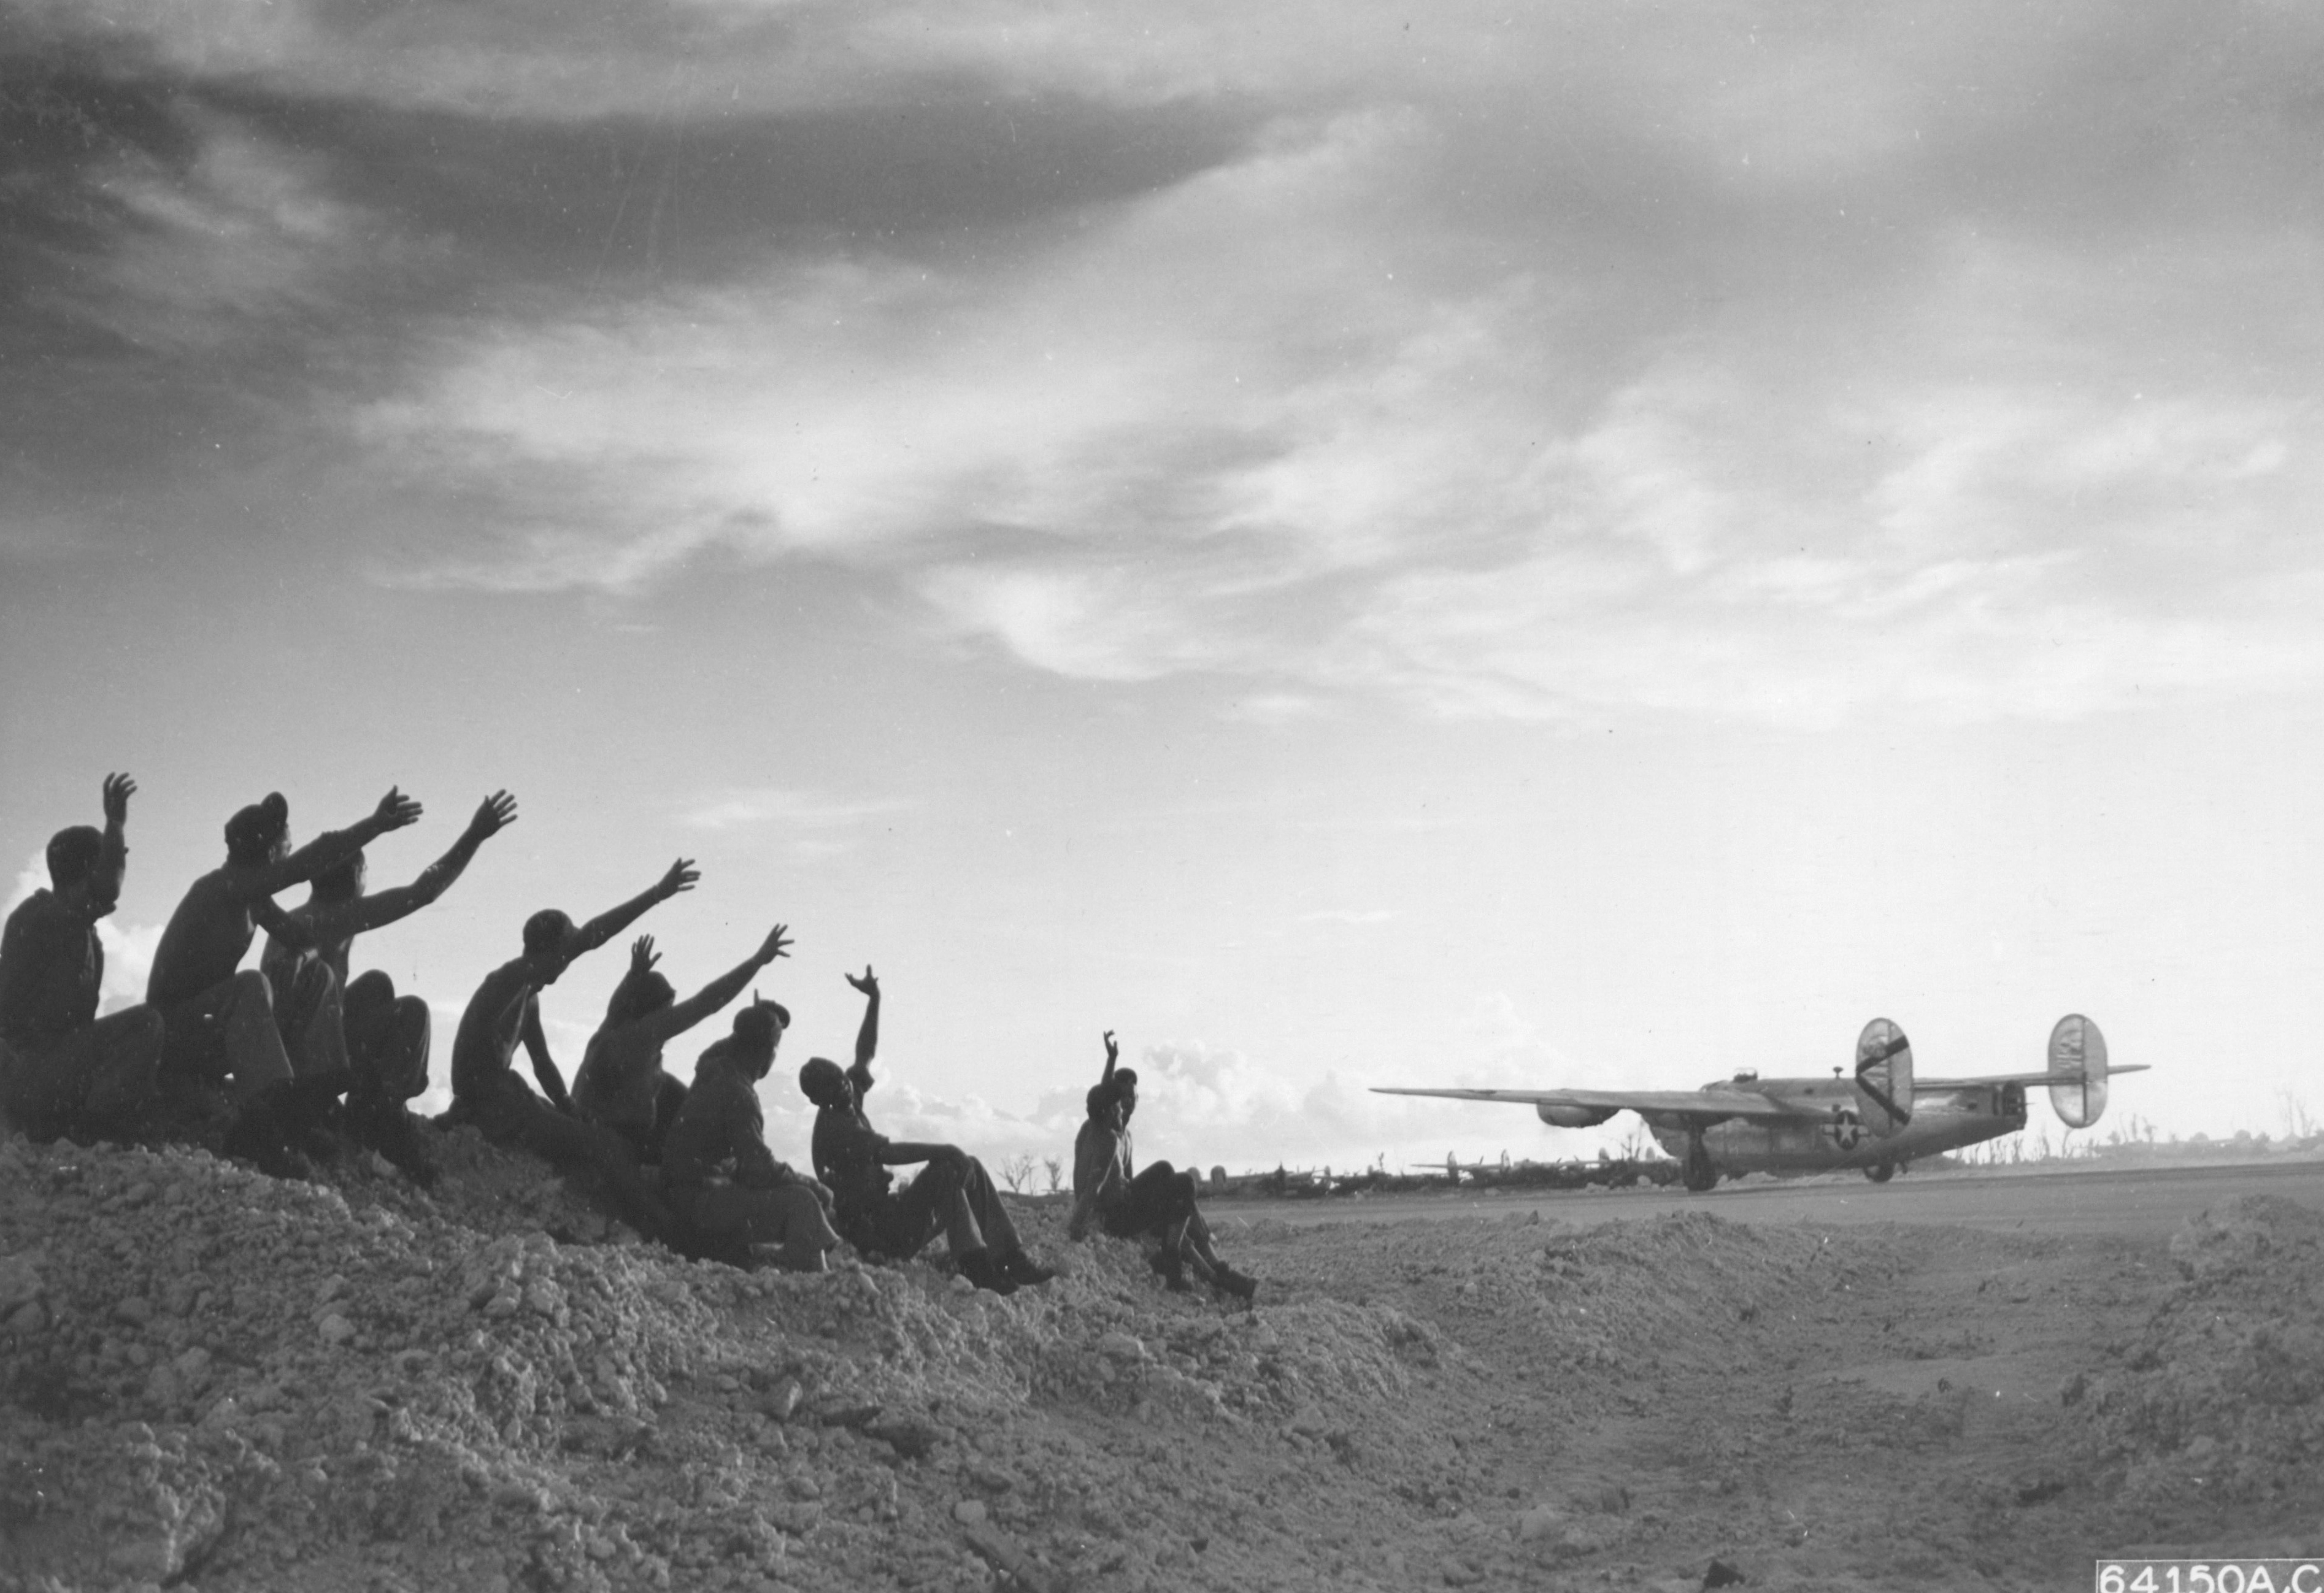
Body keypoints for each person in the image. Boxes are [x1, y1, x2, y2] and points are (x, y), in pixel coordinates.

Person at [145, 785, 423, 1165]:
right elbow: (307, 863)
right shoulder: (224, 888)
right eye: (286, 847)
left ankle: (307, 1107)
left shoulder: (253, 900)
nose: (291, 853)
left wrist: (307, 955)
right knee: (250, 985)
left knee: (316, 975)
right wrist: (373, 826)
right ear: (271, 853)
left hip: (209, 1028)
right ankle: (259, 1127)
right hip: (175, 1035)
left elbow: (302, 940)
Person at [259, 790, 518, 1179]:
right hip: (303, 1062)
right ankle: (384, 1116)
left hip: (289, 1044)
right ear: (354, 878)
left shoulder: (299, 916)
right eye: (366, 872)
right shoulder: (338, 916)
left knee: (377, 986)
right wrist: (474, 836)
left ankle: (366, 1102)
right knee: (412, 1010)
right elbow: (423, 892)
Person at [443, 858, 697, 1224]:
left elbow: (542, 1062)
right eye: (567, 948)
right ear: (552, 950)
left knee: (586, 1132)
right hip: (491, 1099)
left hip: (504, 1095)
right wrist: (655, 895)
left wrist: (565, 1104)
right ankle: (663, 1225)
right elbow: (591, 937)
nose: (571, 959)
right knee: (603, 1147)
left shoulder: (528, 995)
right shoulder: (509, 979)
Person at [801, 966, 1052, 1294]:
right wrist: (944, 1149)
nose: (848, 1090)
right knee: (947, 1171)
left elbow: (865, 1054)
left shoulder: (846, 1101)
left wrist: (874, 1000)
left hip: (887, 1217)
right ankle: (976, 1267)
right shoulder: (836, 1127)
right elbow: (890, 1152)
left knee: (970, 1166)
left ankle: (1010, 1256)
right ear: (821, 1100)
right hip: (876, 1234)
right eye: (838, 1089)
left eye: (845, 1082)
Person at [0, 773, 164, 1140]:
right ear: (86, 871)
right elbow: (110, 886)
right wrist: (115, 826)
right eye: (106, 860)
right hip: (28, 1072)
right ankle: (92, 1134)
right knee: (145, 1024)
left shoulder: (81, 931)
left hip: (44, 1069)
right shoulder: (43, 917)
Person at [572, 922, 793, 1162]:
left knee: (679, 1093)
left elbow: (619, 1001)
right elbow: (707, 1002)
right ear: (650, 1012)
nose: (669, 1018)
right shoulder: (639, 1036)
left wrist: (634, 975)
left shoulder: (614, 1023)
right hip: (615, 1138)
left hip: (603, 1123)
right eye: (665, 1012)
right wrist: (757, 961)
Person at [1068, 1031, 1256, 1299]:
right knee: (1184, 1184)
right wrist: (1076, 1227)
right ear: (1112, 1105)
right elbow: (1092, 1187)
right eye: (1121, 1100)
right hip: (1115, 1216)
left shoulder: (1118, 1132)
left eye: (1132, 1097)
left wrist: (1112, 1058)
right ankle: (1180, 1258)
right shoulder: (1108, 1135)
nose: (1127, 1104)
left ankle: (1197, 1248)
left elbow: (1103, 1096)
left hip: (1124, 1201)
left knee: (1166, 1170)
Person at [661, 999, 840, 1272]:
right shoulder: (740, 1095)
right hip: (700, 1204)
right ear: (768, 1051)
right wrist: (810, 1184)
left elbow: (730, 1042)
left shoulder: (711, 1066)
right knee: (804, 1202)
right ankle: (812, 1280)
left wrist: (761, 1019)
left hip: (682, 1193)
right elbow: (760, 1170)